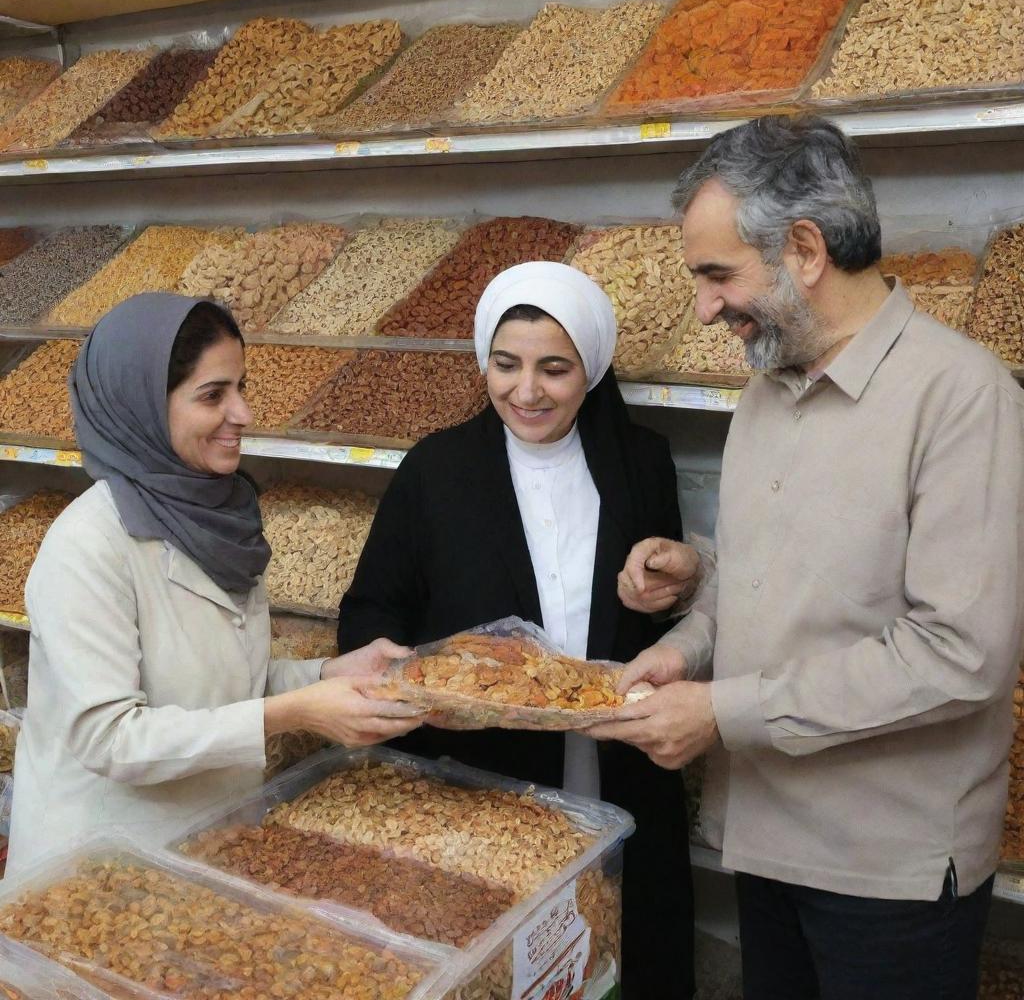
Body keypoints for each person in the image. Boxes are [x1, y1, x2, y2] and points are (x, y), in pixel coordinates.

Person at [590, 115, 1024, 1000]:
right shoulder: (768, 384)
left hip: (886, 872)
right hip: (768, 836)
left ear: (804, 248)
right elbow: (790, 578)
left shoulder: (962, 398)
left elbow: (960, 654)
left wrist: (722, 712)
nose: (705, 306)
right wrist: (694, 625)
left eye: (717, 275)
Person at [338, 261, 700, 998]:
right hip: (482, 778)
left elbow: (666, 603)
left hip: (619, 761)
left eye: (554, 369)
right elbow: (372, 608)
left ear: (591, 370)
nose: (526, 391)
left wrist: (669, 586)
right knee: (509, 961)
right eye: (506, 365)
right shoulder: (437, 469)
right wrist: (418, 675)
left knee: (623, 949)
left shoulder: (640, 462)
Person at [7, 293, 423, 876]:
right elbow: (110, 738)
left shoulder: (219, 515)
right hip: (99, 867)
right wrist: (295, 712)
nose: (243, 413)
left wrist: (328, 674)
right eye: (212, 395)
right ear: (144, 407)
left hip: (208, 845)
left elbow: (218, 678)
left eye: (241, 387)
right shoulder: (88, 545)